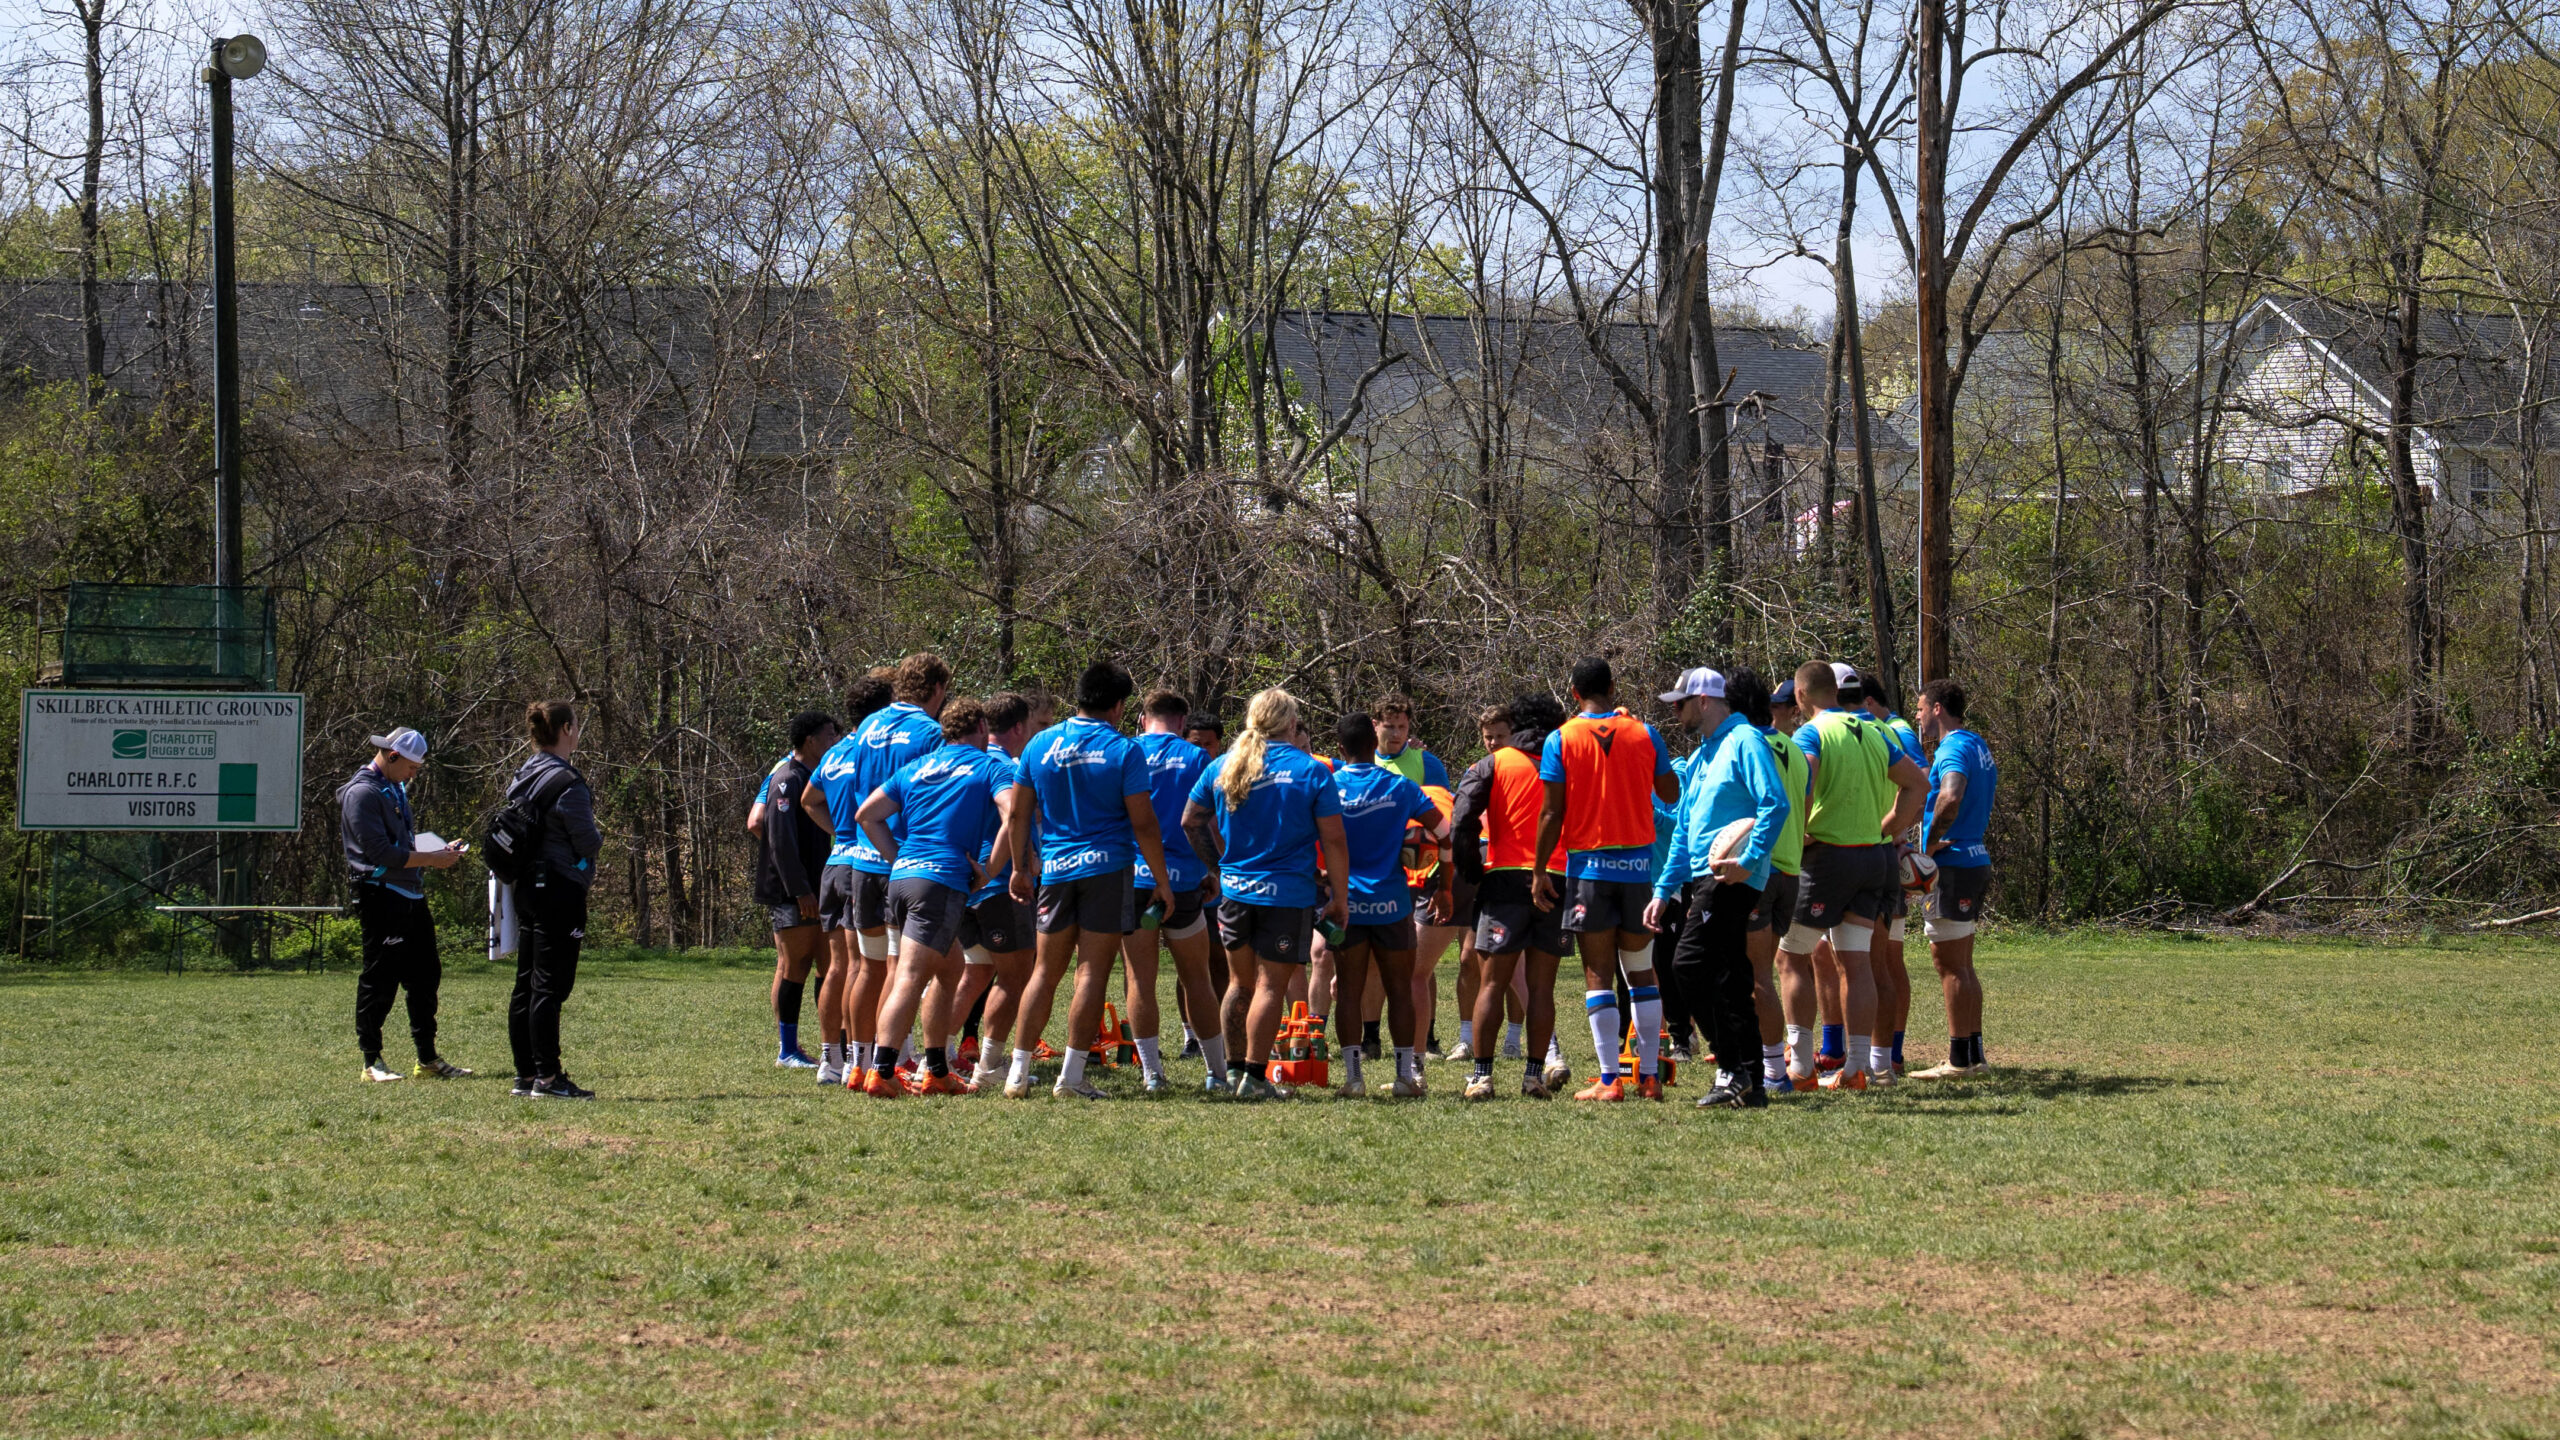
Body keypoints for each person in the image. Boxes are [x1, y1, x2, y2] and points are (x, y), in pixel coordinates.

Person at [1004, 661, 1176, 1099]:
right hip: (1106, 871)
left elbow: (1019, 813)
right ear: (1118, 706)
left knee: (1044, 971)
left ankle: (1017, 1073)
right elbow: (1144, 824)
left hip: (1056, 871)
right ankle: (1071, 1077)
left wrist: (1020, 868)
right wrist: (1162, 880)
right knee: (1091, 973)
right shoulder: (1124, 750)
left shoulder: (1039, 744)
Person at [1181, 688, 1349, 1101]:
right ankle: (1255, 1077)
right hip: (1286, 894)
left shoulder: (1224, 765)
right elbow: (1334, 841)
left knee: (1240, 983)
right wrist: (1339, 897)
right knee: (1271, 985)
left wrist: (1218, 867)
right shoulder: (1311, 771)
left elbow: (1190, 821)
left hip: (1236, 892)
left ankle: (1228, 1073)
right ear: (1292, 725)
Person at [1531, 657, 1681, 1102]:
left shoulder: (1562, 738)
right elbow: (1670, 793)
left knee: (1598, 973)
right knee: (1641, 972)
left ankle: (1610, 1080)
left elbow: (1552, 811)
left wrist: (1539, 871)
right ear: (1613, 688)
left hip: (1589, 869)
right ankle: (1650, 1076)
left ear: (1574, 693)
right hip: (1639, 870)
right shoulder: (1644, 733)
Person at [852, 697, 1014, 1098]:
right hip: (939, 882)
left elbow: (867, 815)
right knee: (909, 975)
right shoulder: (989, 765)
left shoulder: (916, 767)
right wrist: (991, 870)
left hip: (904, 878)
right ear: (980, 727)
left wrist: (898, 859)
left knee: (949, 969)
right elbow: (1014, 814)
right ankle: (883, 1070)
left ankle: (937, 1071)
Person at [1776, 662, 1926, 1092]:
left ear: (1802, 695)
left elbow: (1805, 788)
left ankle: (1801, 1068)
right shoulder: (1877, 730)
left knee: (1791, 956)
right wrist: (1889, 828)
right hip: (1874, 860)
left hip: (1829, 859)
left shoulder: (1812, 733)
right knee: (1857, 962)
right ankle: (1859, 1067)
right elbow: (1918, 784)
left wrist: (1798, 836)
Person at [803, 656, 950, 1084]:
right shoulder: (929, 732)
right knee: (899, 967)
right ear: (937, 689)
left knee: (863, 968)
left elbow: (828, 796)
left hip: (860, 858)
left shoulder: (865, 730)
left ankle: (854, 1062)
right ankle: (892, 1061)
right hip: (901, 858)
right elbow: (931, 793)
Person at [1648, 669, 1790, 1108]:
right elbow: (1685, 833)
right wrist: (1663, 889)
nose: (1676, 712)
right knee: (1730, 975)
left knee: (1688, 964)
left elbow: (1775, 802)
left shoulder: (1745, 740)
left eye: (1680, 703)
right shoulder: (1703, 754)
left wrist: (1748, 861)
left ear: (1705, 701)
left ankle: (1732, 1068)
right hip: (1702, 878)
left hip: (1730, 876)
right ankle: (1753, 1083)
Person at [1450, 692, 1572, 1100]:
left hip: (1504, 879)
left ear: (1515, 726)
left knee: (1492, 984)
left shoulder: (1494, 763)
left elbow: (1462, 819)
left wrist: (1471, 872)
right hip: (1557, 878)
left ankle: (1482, 1077)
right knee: (1542, 988)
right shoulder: (1565, 765)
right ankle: (1534, 1075)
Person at [338, 726, 470, 1083]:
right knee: (380, 979)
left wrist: (437, 851)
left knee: (425, 976)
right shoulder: (362, 794)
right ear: (392, 756)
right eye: (411, 767)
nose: (414, 774)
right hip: (380, 894)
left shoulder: (393, 786)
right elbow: (380, 852)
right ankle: (372, 1062)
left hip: (410, 894)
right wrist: (430, 859)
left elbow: (403, 842)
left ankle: (427, 1059)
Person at [1328, 712, 1443, 1097]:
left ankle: (1353, 1079)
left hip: (1346, 905)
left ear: (1340, 749)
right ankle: (1405, 1077)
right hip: (1392, 904)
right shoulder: (1400, 786)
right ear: (1373, 744)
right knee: (1400, 989)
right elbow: (1443, 832)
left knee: (1348, 990)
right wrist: (1438, 881)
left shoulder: (1327, 787)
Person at [1118, 690, 1227, 1092]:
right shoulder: (1197, 757)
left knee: (1139, 981)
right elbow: (1205, 821)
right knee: (1197, 977)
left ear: (1144, 719)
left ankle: (1151, 1074)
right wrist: (1215, 868)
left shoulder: (1124, 751)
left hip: (1133, 878)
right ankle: (1216, 1072)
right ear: (1182, 723)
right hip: (1183, 881)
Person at [506, 700, 604, 1100]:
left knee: (526, 983)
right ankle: (548, 1078)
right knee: (551, 986)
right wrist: (596, 841)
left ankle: (526, 1075)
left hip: (526, 887)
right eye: (576, 726)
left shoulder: (523, 774)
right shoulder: (567, 782)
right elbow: (587, 839)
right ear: (565, 730)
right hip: (560, 888)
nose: (578, 732)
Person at [1911, 679, 1997, 1078]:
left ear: (1938, 709)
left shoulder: (1954, 747)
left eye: (1921, 708)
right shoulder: (1977, 743)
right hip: (1974, 857)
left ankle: (1958, 1060)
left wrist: (1927, 845)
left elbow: (1951, 793)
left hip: (1956, 862)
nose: (1918, 715)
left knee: (1948, 964)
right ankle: (1974, 1054)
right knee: (1963, 964)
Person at [957, 692, 1040, 1090]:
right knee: (1014, 975)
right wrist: (1018, 866)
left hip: (962, 885)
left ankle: (929, 1057)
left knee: (974, 974)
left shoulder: (963, 761)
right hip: (998, 886)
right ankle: (988, 1068)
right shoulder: (1006, 767)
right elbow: (1015, 818)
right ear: (1020, 728)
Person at [754, 710, 841, 1069]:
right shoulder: (787, 779)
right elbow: (780, 841)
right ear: (810, 741)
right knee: (795, 967)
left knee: (830, 966)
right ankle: (787, 1049)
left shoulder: (817, 778)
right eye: (828, 735)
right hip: (793, 892)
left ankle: (831, 1047)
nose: (834, 742)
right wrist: (801, 890)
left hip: (821, 889)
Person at [1851, 664, 1926, 1074]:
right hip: (1879, 855)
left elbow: (1921, 781)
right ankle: (1883, 1055)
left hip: (1882, 854)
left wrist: (1896, 835)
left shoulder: (1893, 730)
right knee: (1880, 959)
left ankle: (1888, 1054)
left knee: (1885, 960)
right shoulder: (1879, 730)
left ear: (1867, 703)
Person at [1752, 678, 1812, 1092]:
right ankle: (1769, 1058)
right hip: (1790, 868)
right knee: (1764, 972)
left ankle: (1773, 1070)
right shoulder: (1797, 750)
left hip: (1764, 869)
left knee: (1756, 977)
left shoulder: (1751, 746)